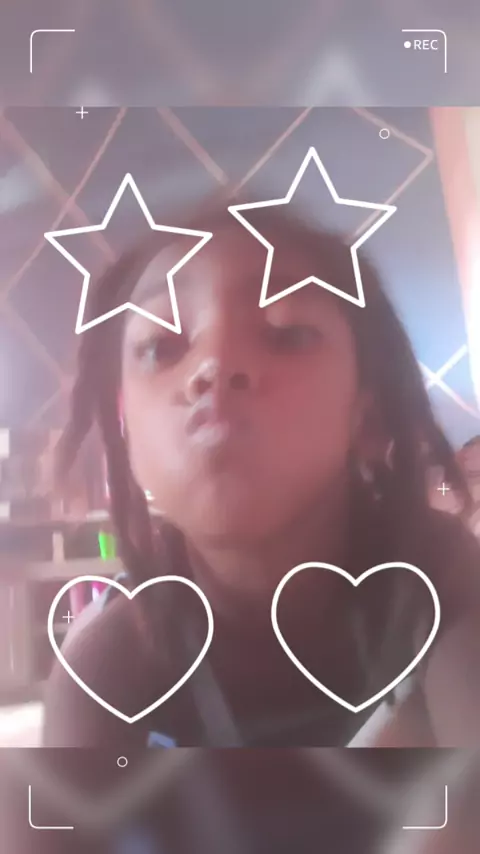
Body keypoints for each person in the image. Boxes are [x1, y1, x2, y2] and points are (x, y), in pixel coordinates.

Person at [43, 197, 480, 749]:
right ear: (128, 433)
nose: (214, 365)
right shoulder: (106, 662)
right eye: (161, 347)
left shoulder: (441, 579)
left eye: (287, 333)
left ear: (367, 418)